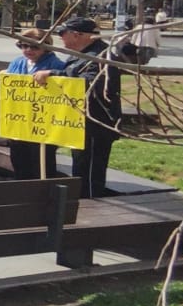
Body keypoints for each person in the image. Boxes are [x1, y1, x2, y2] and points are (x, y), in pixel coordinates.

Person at [34, 17, 121, 198]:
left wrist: (52, 74)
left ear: (78, 35)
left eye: (62, 33)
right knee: (80, 166)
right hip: (78, 121)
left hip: (97, 123)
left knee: (90, 171)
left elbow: (89, 82)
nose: (60, 38)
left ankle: (90, 206)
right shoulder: (78, 54)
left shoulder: (101, 56)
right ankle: (81, 200)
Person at [3, 28, 67, 180]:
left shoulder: (55, 64)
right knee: (19, 160)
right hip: (19, 120)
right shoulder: (18, 62)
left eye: (34, 46)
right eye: (24, 46)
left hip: (42, 123)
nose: (28, 50)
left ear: (45, 46)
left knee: (41, 163)